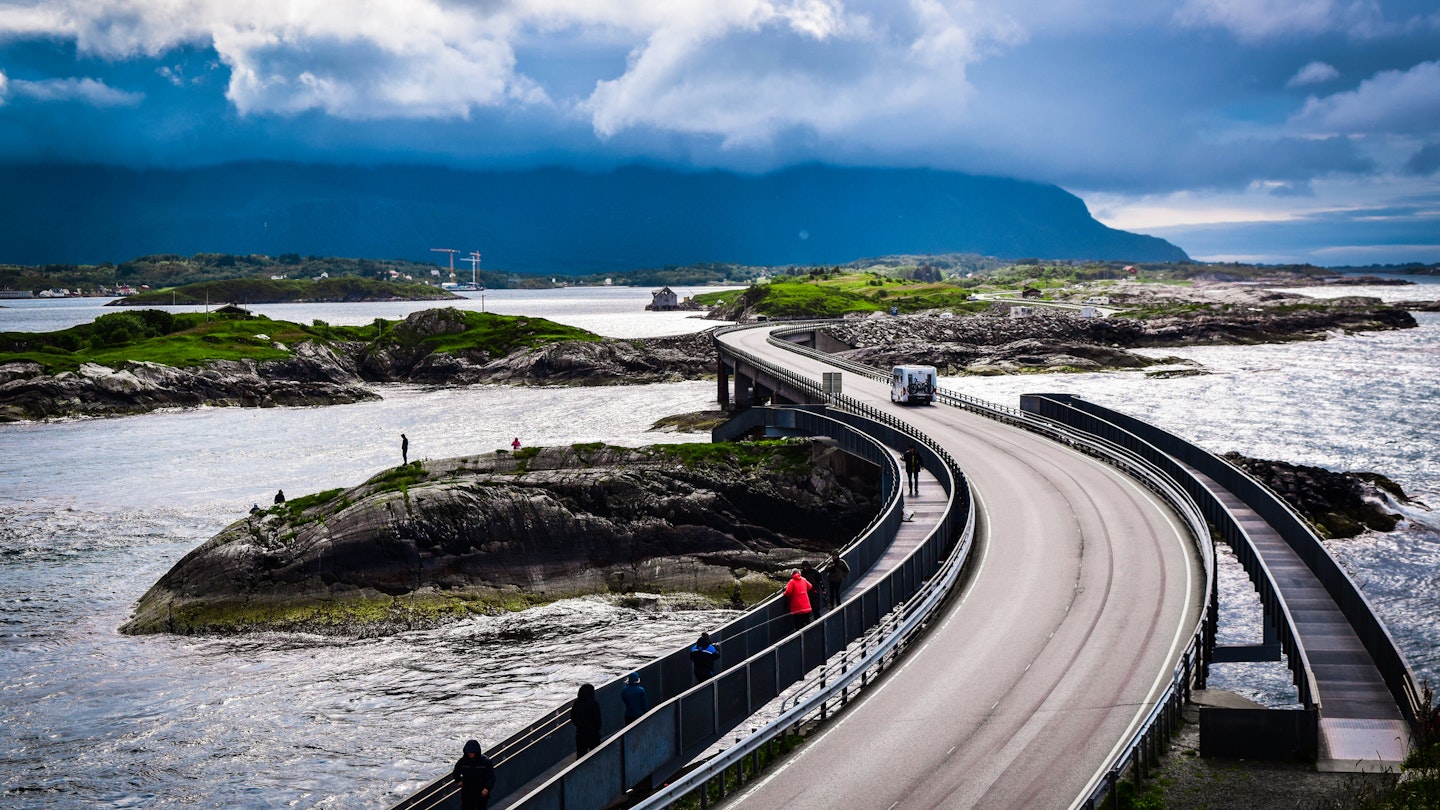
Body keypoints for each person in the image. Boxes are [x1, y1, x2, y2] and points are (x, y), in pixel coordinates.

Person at [451, 739, 495, 810]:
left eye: (473, 752)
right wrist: (458, 780)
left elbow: (491, 777)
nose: (471, 754)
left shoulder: (485, 762)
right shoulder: (462, 762)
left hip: (481, 792)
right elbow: (455, 772)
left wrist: (486, 788)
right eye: (469, 752)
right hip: (467, 792)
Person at [571, 683, 602, 757]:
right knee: (596, 755)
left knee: (581, 755)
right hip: (593, 733)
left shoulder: (577, 702)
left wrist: (579, 725)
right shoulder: (594, 703)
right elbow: (597, 719)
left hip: (580, 733)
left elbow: (573, 718)